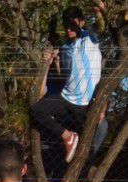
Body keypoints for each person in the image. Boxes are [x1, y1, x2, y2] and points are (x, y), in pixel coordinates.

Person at [29, 6, 103, 163]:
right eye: (66, 26)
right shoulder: (66, 47)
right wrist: (53, 60)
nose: (69, 29)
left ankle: (80, 181)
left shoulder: (90, 39)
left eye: (73, 25)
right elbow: (64, 74)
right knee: (36, 111)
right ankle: (68, 137)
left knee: (88, 143)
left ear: (82, 23)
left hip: (84, 104)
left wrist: (99, 11)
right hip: (65, 97)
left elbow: (101, 25)